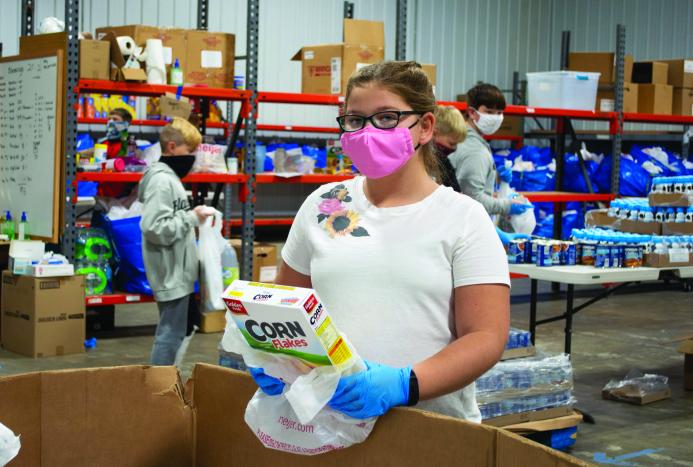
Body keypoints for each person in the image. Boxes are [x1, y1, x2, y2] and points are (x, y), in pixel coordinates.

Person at [248, 61, 510, 422]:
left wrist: (406, 384)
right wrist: (273, 356)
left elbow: (485, 337)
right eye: (355, 120)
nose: (368, 132)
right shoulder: (323, 206)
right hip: (327, 423)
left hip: (429, 430)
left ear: (426, 127)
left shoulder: (463, 218)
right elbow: (287, 310)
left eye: (387, 117)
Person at [139, 117, 213, 365]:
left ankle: (167, 381)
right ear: (171, 147)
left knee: (181, 328)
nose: (192, 157)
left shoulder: (170, 179)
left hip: (178, 271)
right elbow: (154, 227)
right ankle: (160, 388)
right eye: (189, 150)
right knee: (170, 333)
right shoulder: (162, 182)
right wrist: (190, 219)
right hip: (171, 272)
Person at [449, 83, 532, 218]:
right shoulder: (474, 149)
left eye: (499, 113)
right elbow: (472, 198)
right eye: (489, 112)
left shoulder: (468, 140)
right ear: (472, 112)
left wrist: (494, 177)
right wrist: (507, 206)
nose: (496, 118)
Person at [432, 105, 466, 192]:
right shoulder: (417, 163)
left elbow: (457, 193)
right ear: (434, 134)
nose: (454, 148)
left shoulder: (445, 163)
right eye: (452, 143)